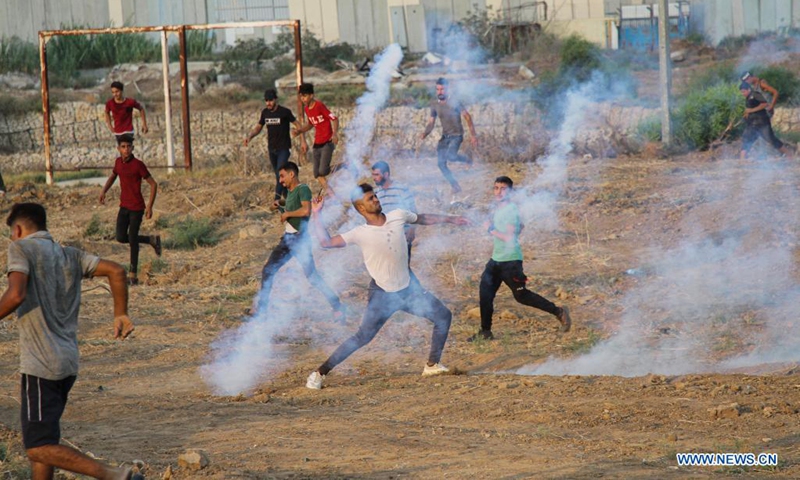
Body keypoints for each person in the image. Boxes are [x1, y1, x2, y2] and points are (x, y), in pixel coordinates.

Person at [0, 203, 136, 480]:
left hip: (41, 364)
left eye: (11, 234)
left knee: (37, 447)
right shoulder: (69, 255)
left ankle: (115, 475)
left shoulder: (21, 248)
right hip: (68, 362)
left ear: (17, 229)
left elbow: (16, 295)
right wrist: (120, 313)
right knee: (47, 440)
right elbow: (117, 271)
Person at [305, 183, 471, 390]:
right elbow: (326, 242)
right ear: (362, 209)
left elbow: (423, 218)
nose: (376, 199)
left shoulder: (397, 215)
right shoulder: (359, 233)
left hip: (409, 290)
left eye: (375, 196)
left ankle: (432, 365)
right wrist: (316, 214)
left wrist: (452, 219)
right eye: (370, 199)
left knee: (443, 316)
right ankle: (319, 373)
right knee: (362, 337)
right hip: (382, 295)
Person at [469, 176, 571, 342]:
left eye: (503, 188)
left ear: (510, 191)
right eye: (496, 188)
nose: (499, 192)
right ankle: (485, 332)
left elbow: (509, 238)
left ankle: (559, 311)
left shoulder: (511, 211)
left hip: (511, 262)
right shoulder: (499, 208)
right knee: (485, 294)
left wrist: (490, 230)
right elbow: (520, 227)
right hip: (496, 259)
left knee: (521, 296)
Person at [251, 161, 345, 322]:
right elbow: (292, 206)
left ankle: (337, 305)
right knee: (268, 270)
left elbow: (305, 210)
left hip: (300, 240)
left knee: (312, 276)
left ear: (291, 174)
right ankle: (262, 311)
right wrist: (280, 204)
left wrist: (287, 214)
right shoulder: (290, 192)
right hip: (287, 239)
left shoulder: (303, 189)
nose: (280, 180)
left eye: (282, 176)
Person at [99, 135, 162, 286]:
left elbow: (153, 184)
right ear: (118, 148)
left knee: (133, 238)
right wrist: (104, 191)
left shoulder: (138, 165)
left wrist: (149, 206)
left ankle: (133, 276)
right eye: (123, 147)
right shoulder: (118, 163)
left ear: (133, 148)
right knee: (120, 237)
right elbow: (113, 176)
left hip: (137, 208)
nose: (126, 149)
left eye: (129, 146)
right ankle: (150, 240)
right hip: (124, 207)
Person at [243, 88, 307, 201]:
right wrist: (250, 137)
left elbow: (298, 125)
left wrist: (302, 140)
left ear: (276, 99)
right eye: (266, 100)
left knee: (280, 175)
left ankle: (276, 200)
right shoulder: (265, 113)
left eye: (271, 100)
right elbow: (258, 127)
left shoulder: (285, 112)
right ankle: (289, 198)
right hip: (272, 149)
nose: (268, 103)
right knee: (280, 177)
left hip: (284, 148)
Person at [420, 77, 479, 194]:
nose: (440, 92)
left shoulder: (455, 102)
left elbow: (467, 117)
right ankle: (455, 185)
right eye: (437, 89)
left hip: (456, 135)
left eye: (442, 89)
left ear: (447, 89)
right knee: (441, 164)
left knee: (451, 156)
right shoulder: (434, 104)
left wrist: (473, 136)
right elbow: (431, 122)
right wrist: (425, 133)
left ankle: (467, 160)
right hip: (445, 136)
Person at [291, 83, 339, 197]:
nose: (303, 99)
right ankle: (331, 193)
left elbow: (334, 119)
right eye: (301, 96)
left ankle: (342, 166)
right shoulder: (307, 109)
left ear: (311, 95)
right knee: (316, 173)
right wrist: (299, 131)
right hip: (317, 143)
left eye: (305, 96)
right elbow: (311, 124)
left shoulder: (319, 105)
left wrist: (335, 134)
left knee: (323, 171)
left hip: (327, 142)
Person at [371, 161, 417, 260]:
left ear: (386, 174)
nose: (374, 178)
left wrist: (412, 230)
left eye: (377, 175)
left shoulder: (401, 189)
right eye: (373, 175)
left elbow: (413, 211)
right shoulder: (376, 193)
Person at [739, 82, 792, 160]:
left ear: (749, 89)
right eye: (741, 92)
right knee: (746, 139)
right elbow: (748, 110)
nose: (742, 93)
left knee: (771, 139)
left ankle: (789, 155)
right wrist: (745, 116)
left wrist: (751, 110)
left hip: (762, 123)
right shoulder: (748, 98)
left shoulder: (755, 94)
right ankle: (742, 159)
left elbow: (764, 104)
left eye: (744, 91)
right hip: (752, 124)